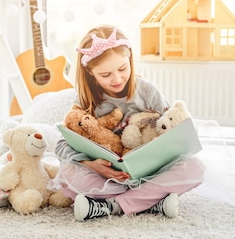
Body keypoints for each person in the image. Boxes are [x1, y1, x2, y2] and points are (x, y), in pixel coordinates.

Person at [51, 25, 206, 221]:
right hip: (108, 176)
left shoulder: (147, 92)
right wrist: (91, 164)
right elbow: (62, 144)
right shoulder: (86, 100)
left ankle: (111, 205)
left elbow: (175, 129)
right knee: (67, 173)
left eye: (123, 68)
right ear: (91, 73)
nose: (117, 79)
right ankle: (151, 202)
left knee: (194, 168)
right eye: (105, 75)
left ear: (130, 59)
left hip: (151, 172)